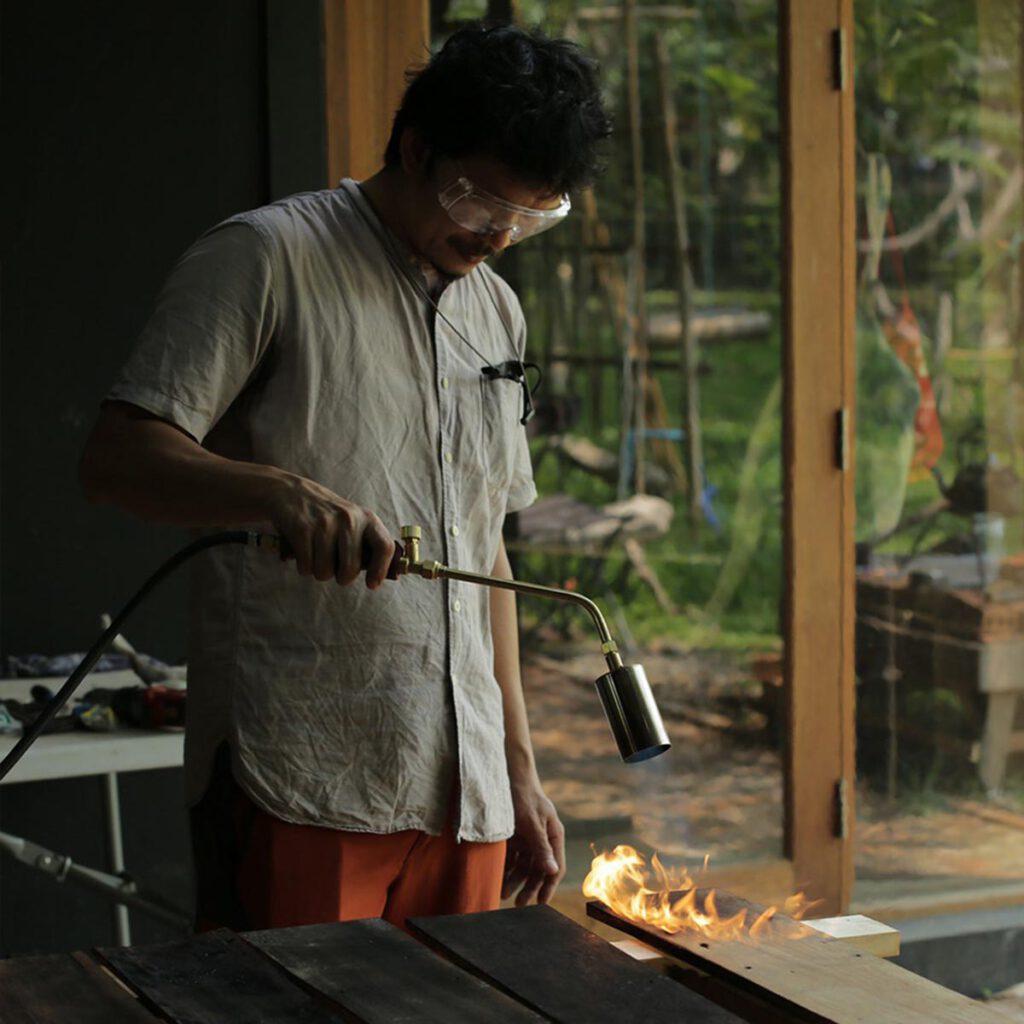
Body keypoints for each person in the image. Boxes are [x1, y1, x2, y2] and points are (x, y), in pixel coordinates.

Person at [79, 23, 611, 931]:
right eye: (480, 203)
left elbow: (487, 555)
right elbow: (118, 458)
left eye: (529, 218)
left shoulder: (499, 312)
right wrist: (275, 492)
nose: (496, 238)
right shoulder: (266, 258)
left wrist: (518, 768)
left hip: (465, 789)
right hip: (306, 767)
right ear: (414, 148)